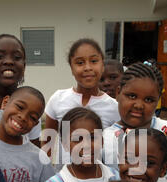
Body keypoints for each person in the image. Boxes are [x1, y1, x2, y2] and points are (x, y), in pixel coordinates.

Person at [43, 38, 120, 167]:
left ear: (102, 66)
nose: (87, 68)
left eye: (94, 61)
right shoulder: (58, 99)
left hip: (98, 180)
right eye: (80, 63)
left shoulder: (114, 107)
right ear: (72, 68)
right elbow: (47, 141)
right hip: (64, 179)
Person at [0, 34, 41, 147]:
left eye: (17, 58)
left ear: (24, 67)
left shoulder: (31, 105)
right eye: (0, 56)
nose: (9, 62)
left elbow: (34, 154)